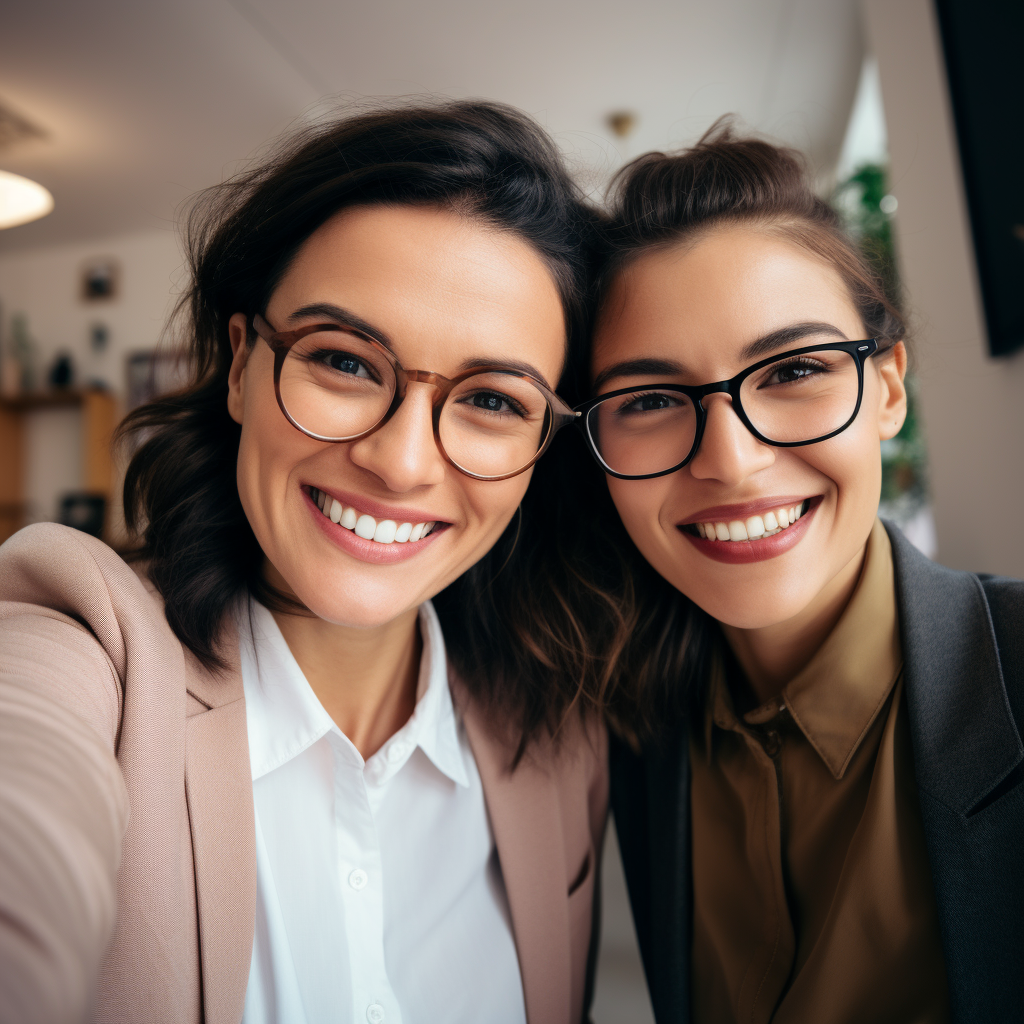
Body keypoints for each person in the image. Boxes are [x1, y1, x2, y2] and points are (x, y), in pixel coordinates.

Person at [0, 101, 608, 1024]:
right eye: (347, 362)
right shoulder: (86, 651)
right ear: (242, 364)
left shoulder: (563, 737)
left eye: (492, 400)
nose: (401, 463)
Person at [571, 124, 1024, 1022]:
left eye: (795, 370)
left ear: (888, 389)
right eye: (652, 400)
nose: (731, 462)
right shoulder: (620, 732)